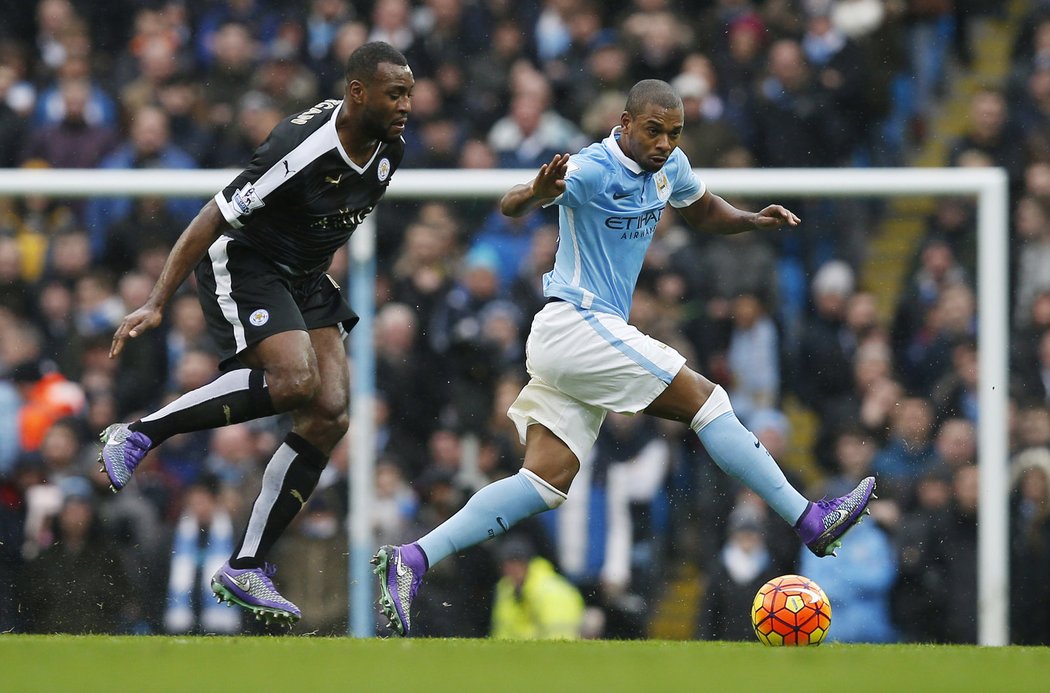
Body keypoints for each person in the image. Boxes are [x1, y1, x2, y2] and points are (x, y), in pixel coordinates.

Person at [373, 79, 877, 637]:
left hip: (581, 336)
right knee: (708, 401)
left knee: (545, 480)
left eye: (674, 133)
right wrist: (537, 191)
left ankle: (412, 558)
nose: (664, 143)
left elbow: (703, 209)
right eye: (654, 131)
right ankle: (810, 519)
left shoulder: (671, 166)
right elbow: (511, 202)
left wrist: (750, 220)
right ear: (626, 122)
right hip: (576, 322)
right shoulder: (591, 167)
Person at [97, 42, 414, 624]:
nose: (407, 104)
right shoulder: (301, 148)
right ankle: (139, 434)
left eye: (410, 92)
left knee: (331, 413)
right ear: (357, 92)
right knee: (294, 380)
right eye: (395, 93)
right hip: (247, 261)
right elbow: (212, 216)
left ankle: (245, 565)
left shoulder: (390, 148)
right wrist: (155, 302)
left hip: (305, 275)